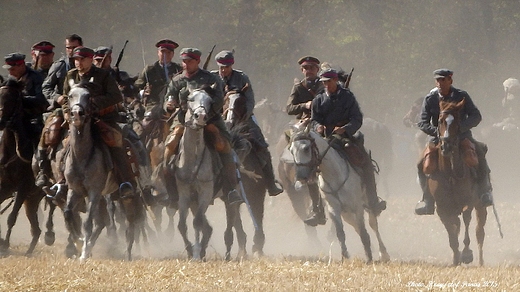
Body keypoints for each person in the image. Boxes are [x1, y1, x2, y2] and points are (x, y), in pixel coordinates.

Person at [163, 47, 242, 204]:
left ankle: (231, 188)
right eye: (184, 61)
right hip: (183, 120)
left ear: (198, 61)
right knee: (170, 144)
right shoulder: (177, 80)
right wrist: (169, 105)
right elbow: (168, 98)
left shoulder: (211, 79)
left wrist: (204, 118)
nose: (186, 64)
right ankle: (169, 190)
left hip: (209, 119)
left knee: (224, 146)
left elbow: (219, 100)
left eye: (190, 61)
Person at [415, 69, 493, 215]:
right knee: (421, 164)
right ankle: (427, 200)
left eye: (443, 80)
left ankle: (484, 192)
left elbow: (476, 116)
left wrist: (460, 128)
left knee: (480, 152)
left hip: (462, 136)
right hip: (437, 138)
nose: (440, 83)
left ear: (450, 80)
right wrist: (437, 132)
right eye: (438, 80)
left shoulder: (462, 96)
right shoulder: (430, 98)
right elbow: (422, 122)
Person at [61, 46, 137, 196]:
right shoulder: (71, 75)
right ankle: (60, 181)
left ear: (90, 59)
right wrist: (65, 112)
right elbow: (65, 98)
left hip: (103, 118)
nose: (78, 63)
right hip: (78, 120)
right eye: (76, 60)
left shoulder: (103, 75)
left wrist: (94, 103)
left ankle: (125, 182)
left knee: (116, 141)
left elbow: (116, 96)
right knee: (61, 143)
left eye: (82, 59)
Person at [311, 68, 386, 216]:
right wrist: (318, 126)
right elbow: (314, 119)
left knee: (366, 163)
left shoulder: (348, 97)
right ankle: (318, 209)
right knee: (310, 164)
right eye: (323, 82)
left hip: (346, 138)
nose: (325, 85)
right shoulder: (318, 100)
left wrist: (345, 129)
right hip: (325, 137)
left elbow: (357, 119)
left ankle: (372, 201)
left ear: (335, 81)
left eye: (328, 82)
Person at [212, 50, 283, 196]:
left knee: (262, 145)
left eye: (226, 66)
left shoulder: (242, 77)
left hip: (242, 118)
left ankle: (271, 183)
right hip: (219, 119)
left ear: (231, 65)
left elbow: (250, 100)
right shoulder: (212, 78)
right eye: (221, 67)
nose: (223, 70)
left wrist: (245, 115)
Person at [285, 56, 326, 226]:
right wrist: (305, 106)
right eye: (305, 68)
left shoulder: (325, 84)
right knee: (288, 143)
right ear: (302, 71)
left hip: (322, 122)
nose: (308, 71)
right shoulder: (298, 87)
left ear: (317, 70)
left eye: (312, 68)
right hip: (302, 123)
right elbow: (289, 108)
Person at [3, 52, 49, 154]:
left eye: (13, 69)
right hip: (16, 116)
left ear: (21, 65)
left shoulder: (36, 78)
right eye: (9, 70)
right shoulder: (11, 79)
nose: (10, 73)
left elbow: (41, 99)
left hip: (33, 116)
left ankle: (39, 159)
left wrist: (20, 99)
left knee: (37, 132)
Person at [134, 39, 182, 115]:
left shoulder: (179, 69)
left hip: (174, 104)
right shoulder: (150, 69)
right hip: (154, 104)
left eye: (168, 52)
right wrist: (144, 91)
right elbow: (137, 86)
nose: (165, 55)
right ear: (158, 53)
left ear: (173, 54)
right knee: (147, 122)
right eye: (162, 52)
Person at [42, 34, 83, 109]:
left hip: (84, 105)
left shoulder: (88, 65)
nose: (71, 51)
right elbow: (46, 87)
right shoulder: (59, 66)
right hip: (63, 106)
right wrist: (57, 97)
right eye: (68, 48)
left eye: (74, 47)